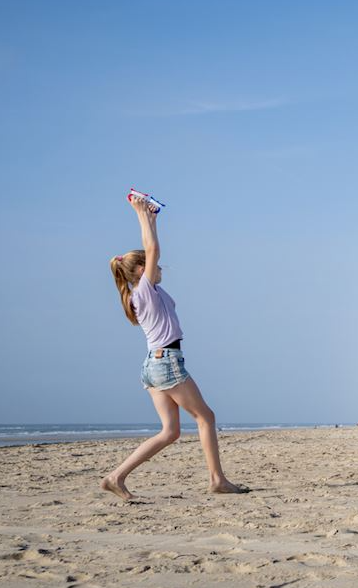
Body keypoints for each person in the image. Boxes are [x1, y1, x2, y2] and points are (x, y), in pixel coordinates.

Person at [102, 195, 246, 500]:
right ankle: (217, 479)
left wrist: (153, 218)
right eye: (152, 264)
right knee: (205, 417)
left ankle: (116, 476)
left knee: (170, 432)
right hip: (167, 361)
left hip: (153, 366)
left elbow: (151, 250)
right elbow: (152, 248)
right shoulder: (145, 292)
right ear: (141, 270)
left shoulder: (145, 292)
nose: (160, 266)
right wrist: (140, 212)